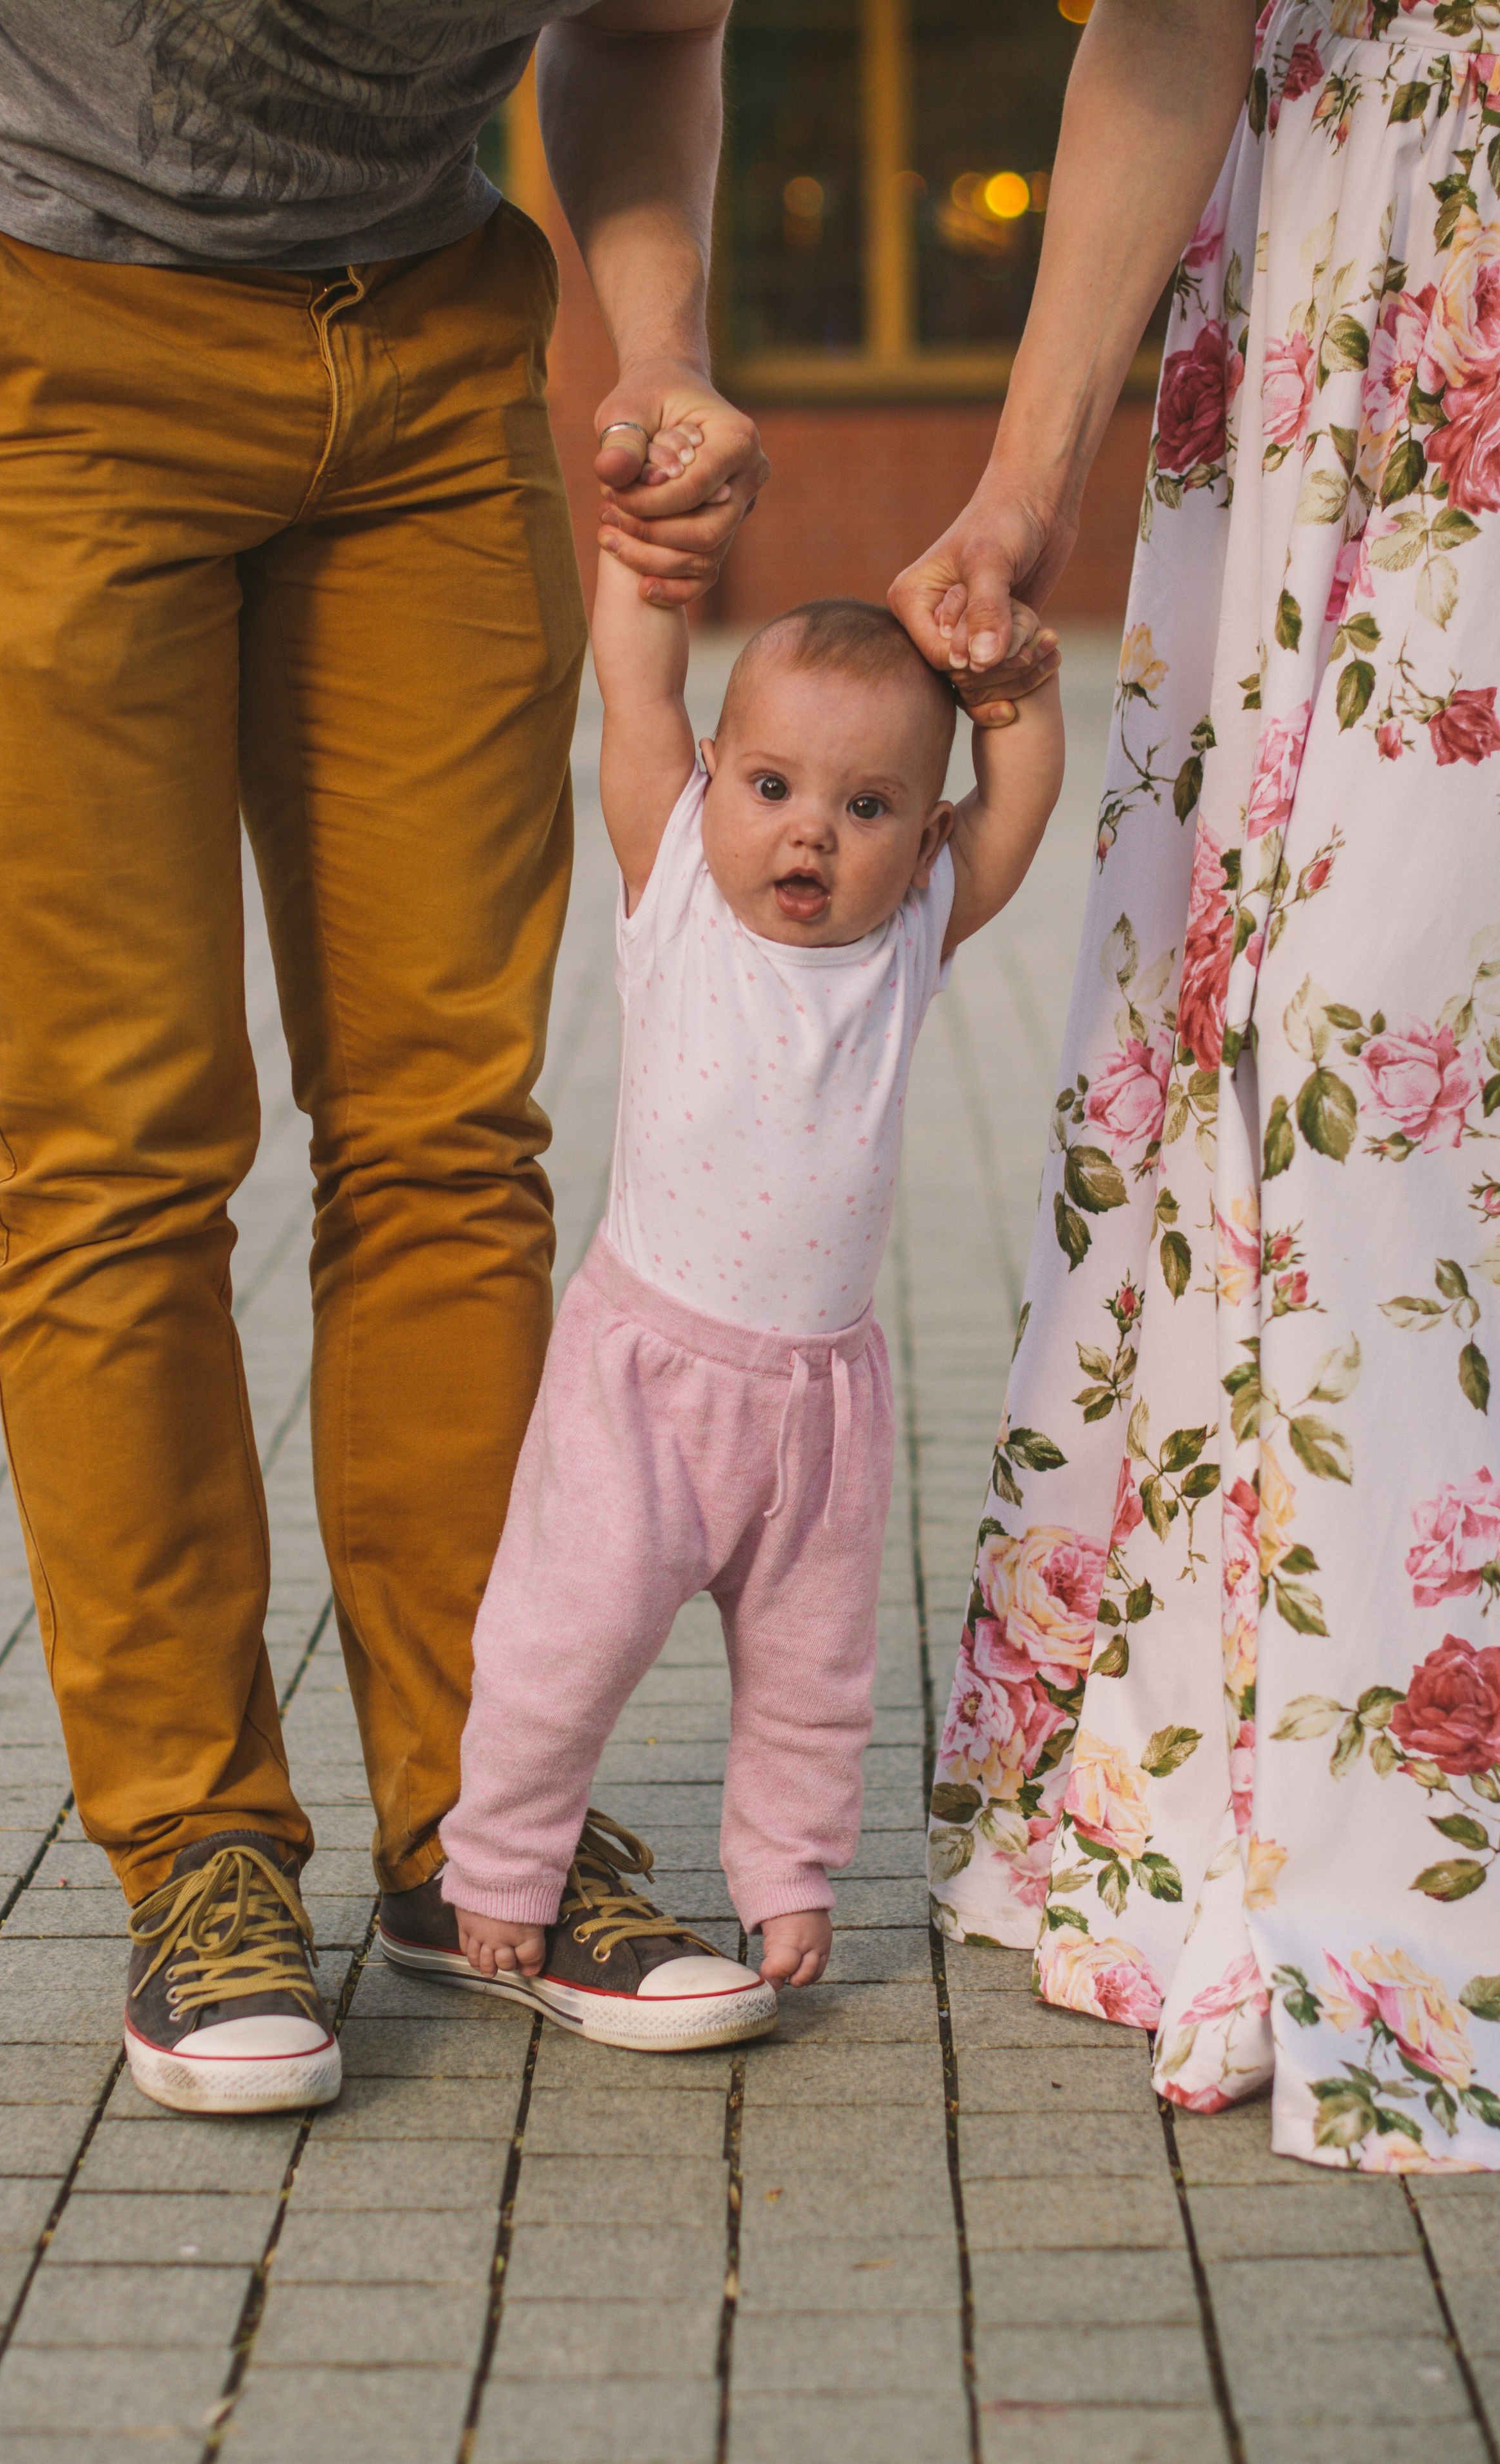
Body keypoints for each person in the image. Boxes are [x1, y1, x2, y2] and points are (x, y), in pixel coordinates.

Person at [0, 1, 774, 2118]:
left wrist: (656, 338)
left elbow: (645, 35)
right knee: (120, 1130)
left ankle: (485, 1831)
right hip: (42, 314)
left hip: (431, 331)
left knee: (454, 1122)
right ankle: (197, 1847)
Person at [894, 0, 1500, 2171]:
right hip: (1380, 296)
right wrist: (1021, 481)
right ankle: (1337, 1804)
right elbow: (1164, 25)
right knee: (1333, 1049)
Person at [373, 542, 1064, 2051]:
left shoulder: (903, 944)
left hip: (823, 1402)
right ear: (711, 778)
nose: (807, 834)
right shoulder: (674, 879)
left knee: (817, 1672)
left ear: (916, 832)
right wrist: (640, 566)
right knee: (565, 1639)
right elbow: (630, 679)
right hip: (644, 1376)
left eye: (864, 807)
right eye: (772, 788)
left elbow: (1016, 815)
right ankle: (495, 1868)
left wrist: (1011, 690)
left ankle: (789, 1886)